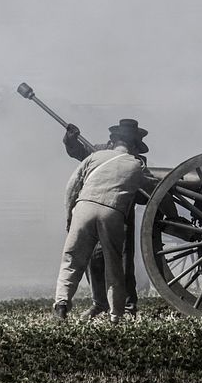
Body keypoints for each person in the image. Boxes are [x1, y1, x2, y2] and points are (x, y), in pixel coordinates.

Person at [54, 126, 145, 322]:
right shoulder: (135, 163)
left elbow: (72, 185)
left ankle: (62, 305)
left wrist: (69, 215)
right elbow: (151, 189)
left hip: (89, 209)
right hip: (114, 213)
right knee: (112, 265)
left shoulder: (98, 154)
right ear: (134, 145)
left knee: (72, 259)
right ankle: (112, 312)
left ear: (115, 141)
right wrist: (71, 141)